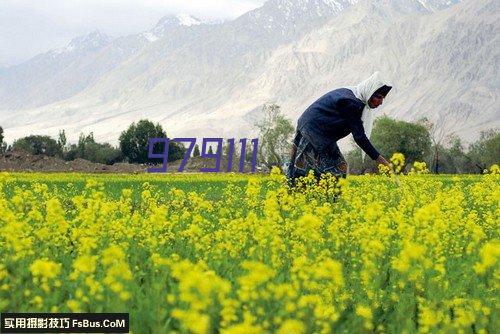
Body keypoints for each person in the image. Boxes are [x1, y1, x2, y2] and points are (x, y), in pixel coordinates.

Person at [285, 71, 392, 185]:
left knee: (339, 169)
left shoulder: (355, 97)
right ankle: (293, 199)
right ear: (370, 92)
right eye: (378, 97)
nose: (380, 102)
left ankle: (325, 199)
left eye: (383, 99)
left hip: (323, 135)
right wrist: (382, 161)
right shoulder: (351, 103)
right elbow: (359, 137)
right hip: (312, 131)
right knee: (302, 173)